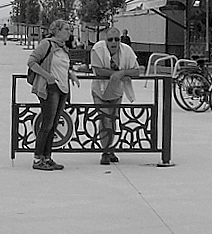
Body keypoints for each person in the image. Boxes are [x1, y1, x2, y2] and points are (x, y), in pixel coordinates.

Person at [27, 19, 80, 171]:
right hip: (50, 88)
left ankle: (47, 157)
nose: (69, 32)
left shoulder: (63, 48)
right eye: (66, 29)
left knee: (54, 124)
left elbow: (62, 67)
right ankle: (38, 158)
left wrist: (71, 75)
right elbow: (31, 61)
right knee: (47, 124)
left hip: (62, 89)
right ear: (57, 31)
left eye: (70, 30)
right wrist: (47, 76)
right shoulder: (47, 44)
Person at [90, 27, 143, 164]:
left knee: (113, 119)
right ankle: (105, 151)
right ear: (105, 40)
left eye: (117, 39)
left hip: (117, 91)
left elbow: (137, 71)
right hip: (100, 91)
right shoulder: (97, 49)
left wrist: (121, 73)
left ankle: (110, 148)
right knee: (104, 120)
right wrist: (114, 74)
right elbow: (97, 70)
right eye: (110, 39)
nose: (114, 42)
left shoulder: (126, 50)